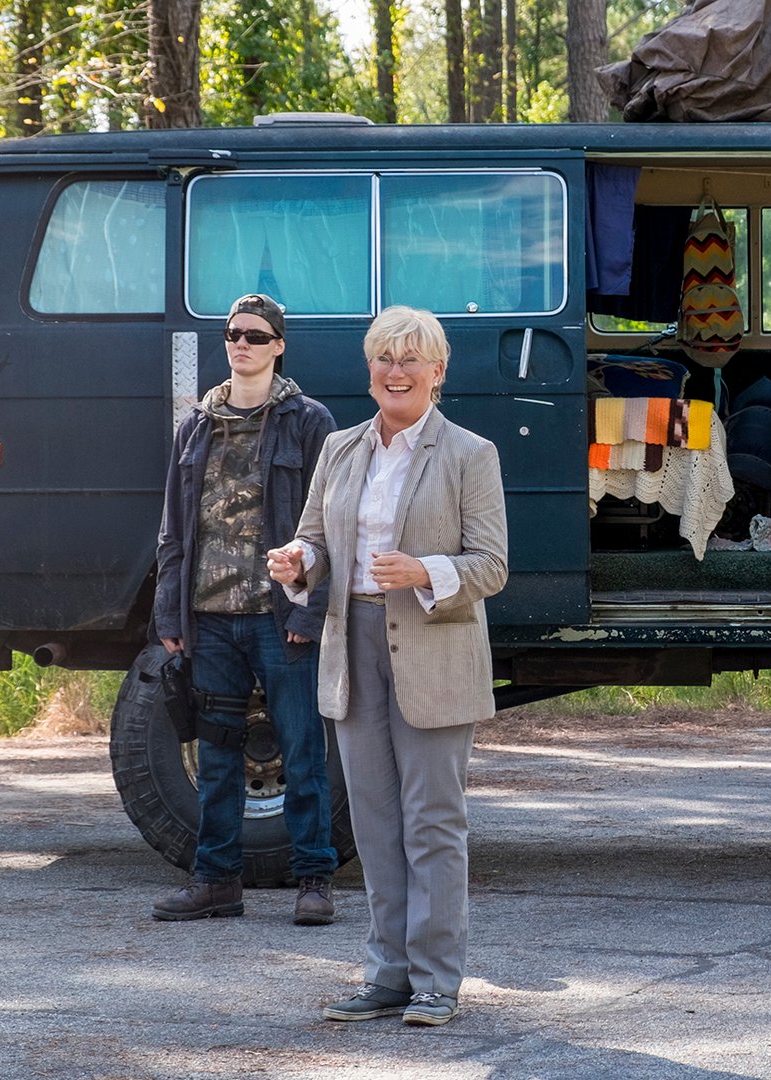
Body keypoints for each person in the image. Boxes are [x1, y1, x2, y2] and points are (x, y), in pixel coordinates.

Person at [267, 305, 508, 1027]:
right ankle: (387, 976)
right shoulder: (340, 449)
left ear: (438, 372)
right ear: (368, 369)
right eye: (384, 358)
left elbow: (491, 565)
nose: (396, 371)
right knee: (373, 822)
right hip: (352, 647)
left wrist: (422, 571)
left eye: (412, 360)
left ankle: (437, 984)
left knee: (432, 822)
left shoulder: (470, 453)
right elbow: (315, 540)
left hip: (434, 650)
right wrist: (297, 561)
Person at [150, 294, 339, 926]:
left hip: (277, 617)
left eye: (257, 336)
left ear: (279, 344)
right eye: (234, 334)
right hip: (209, 618)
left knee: (302, 748)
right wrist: (170, 619)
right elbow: (174, 530)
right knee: (219, 757)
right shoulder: (195, 426)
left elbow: (328, 529)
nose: (242, 344)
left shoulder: (307, 421)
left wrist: (306, 615)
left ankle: (314, 878)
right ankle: (216, 882)